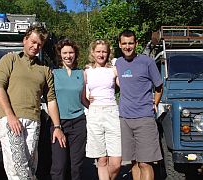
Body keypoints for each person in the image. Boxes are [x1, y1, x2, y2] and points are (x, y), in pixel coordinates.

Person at [0, 25, 66, 180]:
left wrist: (57, 127)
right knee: (18, 167)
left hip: (33, 121)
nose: (35, 46)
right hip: (11, 119)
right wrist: (11, 116)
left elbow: (50, 99)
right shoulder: (10, 59)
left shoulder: (44, 69)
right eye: (32, 42)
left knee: (31, 167)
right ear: (24, 40)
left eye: (39, 44)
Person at [115, 29, 163, 180]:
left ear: (136, 44)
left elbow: (159, 87)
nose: (127, 46)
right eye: (124, 43)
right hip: (125, 119)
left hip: (144, 119)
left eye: (130, 43)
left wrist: (154, 103)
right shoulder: (118, 63)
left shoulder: (147, 62)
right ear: (119, 44)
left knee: (145, 163)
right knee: (133, 163)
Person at [50, 38, 89, 180]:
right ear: (60, 54)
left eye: (71, 52)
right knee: (59, 166)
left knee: (76, 166)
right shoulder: (53, 74)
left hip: (78, 123)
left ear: (75, 54)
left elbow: (84, 99)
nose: (68, 56)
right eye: (65, 53)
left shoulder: (82, 74)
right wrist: (56, 126)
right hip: (59, 123)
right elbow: (50, 99)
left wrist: (97, 107)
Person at [85, 39, 122, 180]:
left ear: (108, 53)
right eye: (98, 51)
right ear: (93, 53)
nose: (101, 54)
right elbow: (82, 92)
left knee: (116, 163)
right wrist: (88, 98)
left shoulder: (113, 70)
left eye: (104, 51)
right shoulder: (87, 71)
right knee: (102, 160)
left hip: (112, 112)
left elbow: (126, 87)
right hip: (94, 113)